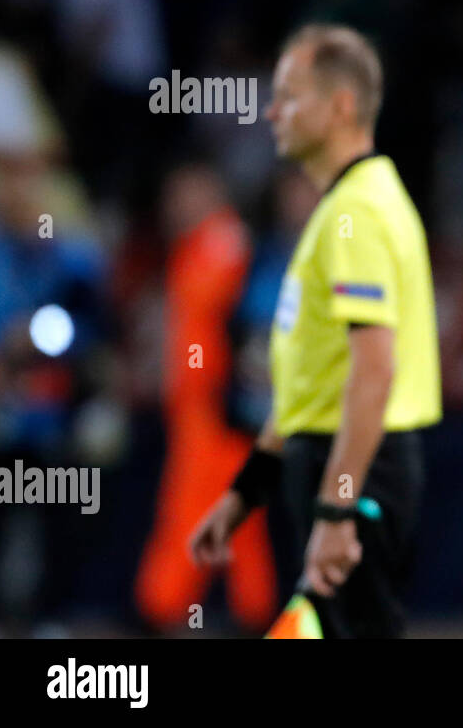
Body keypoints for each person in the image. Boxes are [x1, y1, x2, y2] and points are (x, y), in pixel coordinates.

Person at [189, 25, 442, 638]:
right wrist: (246, 493)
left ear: (341, 106)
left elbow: (373, 370)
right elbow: (315, 381)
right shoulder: (345, 207)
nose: (272, 111)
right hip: (339, 467)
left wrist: (336, 508)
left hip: (355, 471)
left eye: (290, 96)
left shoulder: (355, 212)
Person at [134, 162, 276, 633]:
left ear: (212, 191)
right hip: (201, 406)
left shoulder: (226, 246)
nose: (175, 205)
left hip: (218, 407)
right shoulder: (197, 248)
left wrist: (234, 393)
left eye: (186, 193)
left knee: (194, 510)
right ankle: (253, 614)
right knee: (235, 514)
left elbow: (245, 327)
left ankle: (162, 609)